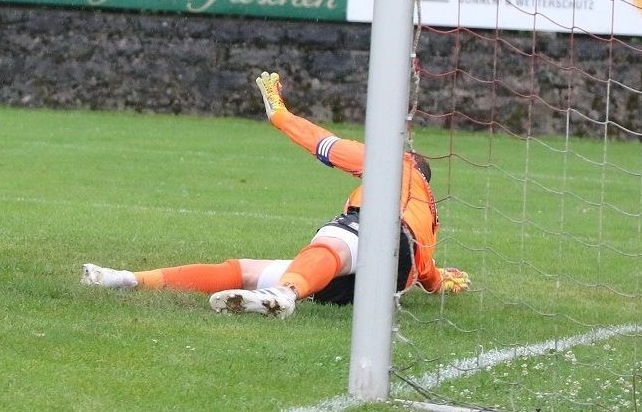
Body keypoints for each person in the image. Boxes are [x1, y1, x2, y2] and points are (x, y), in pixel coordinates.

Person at [80, 71, 470, 319]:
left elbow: (326, 144)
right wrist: (444, 282)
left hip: (376, 239)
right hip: (379, 283)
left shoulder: (395, 165)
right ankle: (128, 279)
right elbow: (426, 276)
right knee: (246, 270)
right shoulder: (429, 219)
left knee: (335, 239)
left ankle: (284, 296)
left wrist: (280, 114)